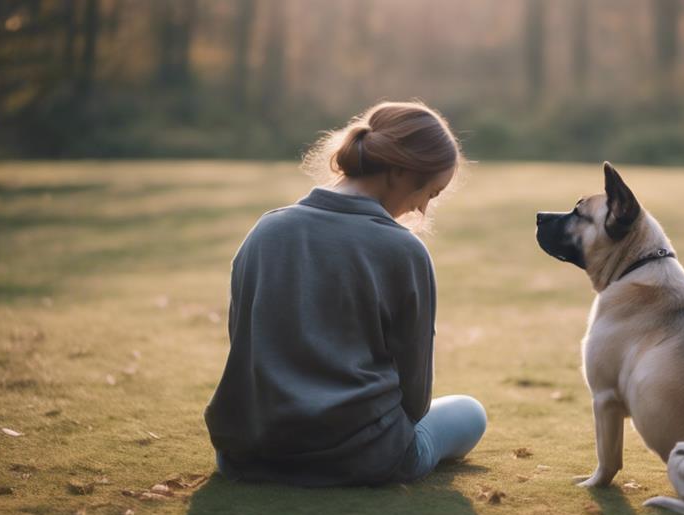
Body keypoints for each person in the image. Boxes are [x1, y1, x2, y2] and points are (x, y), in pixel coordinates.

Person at [205, 101, 486, 487]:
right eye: (430, 193)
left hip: (249, 453)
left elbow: (245, 348)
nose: (422, 209)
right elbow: (416, 401)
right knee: (471, 413)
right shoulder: (403, 251)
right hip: (363, 457)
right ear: (400, 170)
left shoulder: (264, 232)